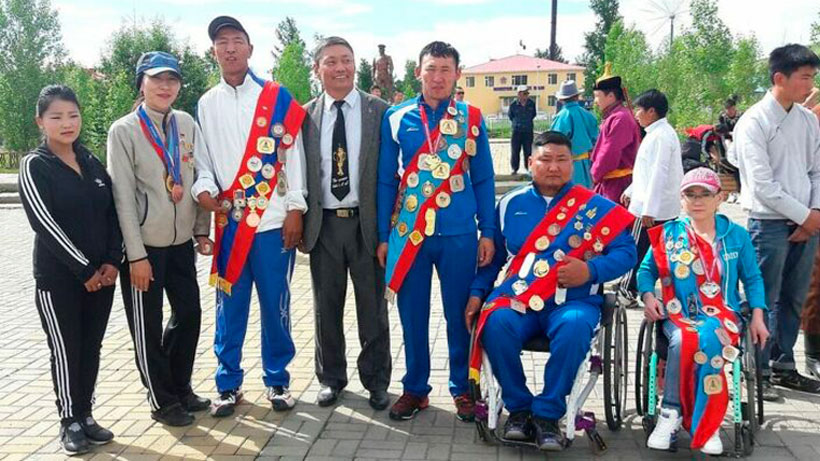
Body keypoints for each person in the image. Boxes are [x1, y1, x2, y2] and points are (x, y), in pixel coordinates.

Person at [466, 131, 636, 451]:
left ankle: (547, 414)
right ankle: (519, 409)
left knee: (575, 327)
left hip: (574, 300)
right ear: (531, 162)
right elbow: (493, 260)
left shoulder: (595, 207)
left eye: (562, 160)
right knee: (496, 323)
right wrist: (477, 293)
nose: (553, 167)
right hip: (520, 298)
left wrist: (590, 271)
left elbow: (627, 253)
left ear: (573, 164)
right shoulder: (510, 204)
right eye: (545, 159)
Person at [192, 16, 308, 417]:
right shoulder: (206, 103)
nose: (229, 48)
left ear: (250, 48)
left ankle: (278, 380)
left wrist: (295, 206)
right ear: (213, 52)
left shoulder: (277, 97)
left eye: (236, 40)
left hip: (273, 223)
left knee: (276, 304)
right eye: (221, 42)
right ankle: (228, 384)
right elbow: (204, 161)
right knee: (230, 306)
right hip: (231, 224)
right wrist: (203, 187)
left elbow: (294, 155)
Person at [377, 40, 496, 421]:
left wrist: (488, 231)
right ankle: (415, 388)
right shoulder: (396, 116)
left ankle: (463, 387)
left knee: (460, 314)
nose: (438, 77)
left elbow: (484, 178)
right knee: (412, 315)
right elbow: (385, 180)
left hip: (459, 234)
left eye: (446, 70)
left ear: (457, 74)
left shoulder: (471, 118)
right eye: (431, 69)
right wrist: (383, 236)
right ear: (418, 72)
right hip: (410, 234)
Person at [107, 51, 213, 427]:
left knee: (190, 314)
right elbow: (122, 197)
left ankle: (179, 387)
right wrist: (135, 256)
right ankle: (161, 399)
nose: (165, 86)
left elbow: (198, 177)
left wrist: (201, 230)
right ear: (142, 83)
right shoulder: (124, 130)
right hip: (144, 249)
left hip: (180, 242)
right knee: (147, 327)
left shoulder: (185, 123)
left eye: (172, 79)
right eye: (157, 79)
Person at [19, 85, 122, 455]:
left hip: (102, 278)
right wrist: (84, 270)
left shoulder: (90, 161)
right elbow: (43, 224)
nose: (67, 123)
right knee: (66, 350)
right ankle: (69, 421)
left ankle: (86, 414)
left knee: (91, 347)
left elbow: (112, 213)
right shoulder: (35, 165)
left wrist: (112, 261)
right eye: (57, 116)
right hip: (59, 280)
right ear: (40, 122)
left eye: (73, 115)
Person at [638, 167, 769, 455]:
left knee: (709, 336)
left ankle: (707, 424)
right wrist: (648, 297)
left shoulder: (736, 236)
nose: (697, 201)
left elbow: (753, 279)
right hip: (679, 314)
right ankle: (670, 414)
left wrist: (758, 316)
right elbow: (645, 271)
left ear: (719, 198)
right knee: (683, 338)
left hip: (723, 314)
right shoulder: (668, 234)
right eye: (690, 194)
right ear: (681, 199)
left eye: (705, 194)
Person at [301, 36, 392, 410]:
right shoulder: (304, 116)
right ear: (317, 69)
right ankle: (331, 378)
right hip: (323, 224)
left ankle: (377, 381)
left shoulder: (380, 111)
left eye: (347, 60)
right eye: (331, 61)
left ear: (356, 65)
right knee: (326, 307)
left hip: (366, 224)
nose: (340, 68)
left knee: (373, 309)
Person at [734, 44, 820, 397]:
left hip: (807, 221)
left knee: (794, 297)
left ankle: (784, 363)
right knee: (763, 298)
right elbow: (762, 185)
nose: (810, 85)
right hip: (768, 222)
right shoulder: (754, 122)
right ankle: (757, 368)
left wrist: (814, 214)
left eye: (812, 78)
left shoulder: (807, 120)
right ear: (779, 78)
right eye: (805, 78)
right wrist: (806, 217)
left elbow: (816, 171)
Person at [621, 89, 683, 295]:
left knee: (637, 250)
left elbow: (659, 173)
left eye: (639, 109)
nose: (636, 114)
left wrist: (649, 209)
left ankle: (628, 288)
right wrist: (631, 190)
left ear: (651, 111)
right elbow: (646, 172)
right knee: (658, 252)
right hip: (658, 205)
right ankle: (648, 288)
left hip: (651, 210)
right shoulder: (657, 134)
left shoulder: (660, 136)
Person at [589, 63, 640, 203]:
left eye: (597, 96)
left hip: (617, 184)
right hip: (610, 181)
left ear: (611, 96)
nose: (595, 101)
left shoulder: (620, 118)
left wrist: (595, 173)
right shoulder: (614, 116)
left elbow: (610, 153)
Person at [549, 80, 598, 188]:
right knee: (587, 194)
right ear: (577, 97)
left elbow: (554, 143)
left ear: (561, 99)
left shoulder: (562, 117)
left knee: (570, 195)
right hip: (588, 164)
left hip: (569, 166)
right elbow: (596, 140)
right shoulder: (588, 115)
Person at [508, 85, 536, 176]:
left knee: (528, 150)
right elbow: (511, 116)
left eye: (527, 93)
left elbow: (533, 114)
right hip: (516, 131)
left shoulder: (531, 103)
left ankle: (528, 169)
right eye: (524, 93)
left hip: (528, 130)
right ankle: (514, 169)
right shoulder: (513, 105)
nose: (526, 95)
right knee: (515, 150)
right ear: (519, 94)